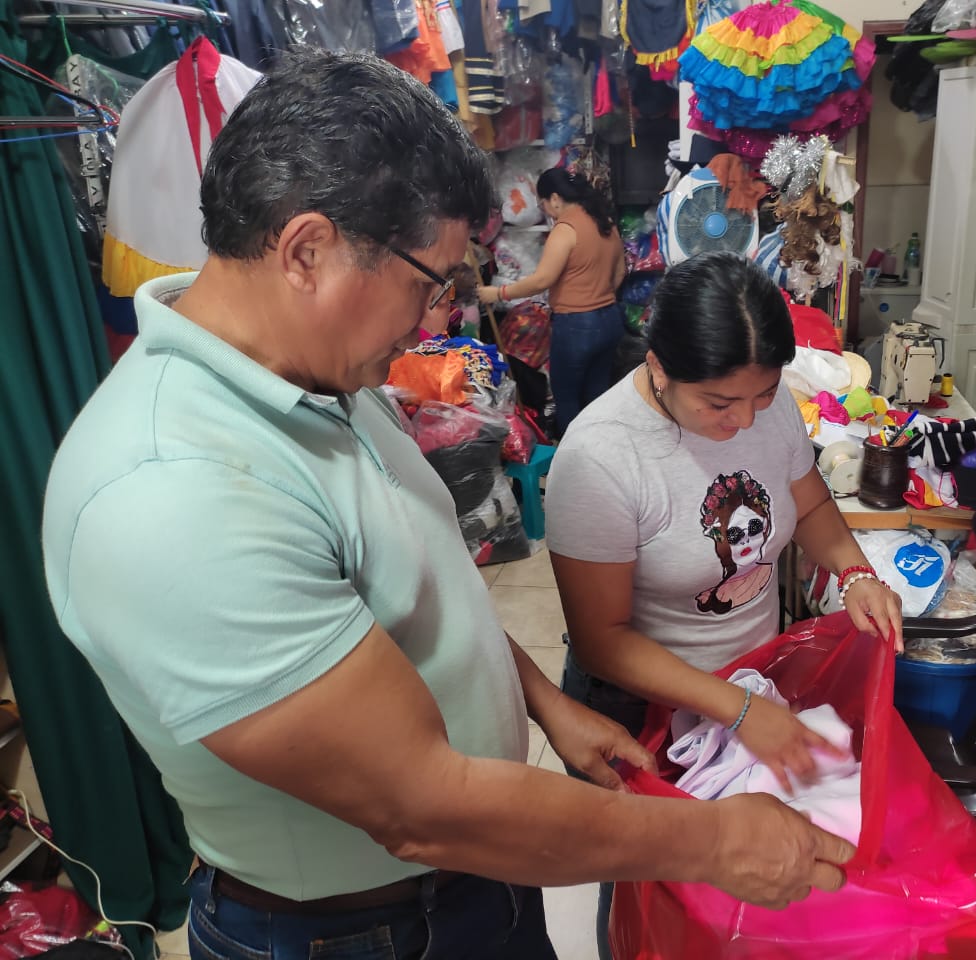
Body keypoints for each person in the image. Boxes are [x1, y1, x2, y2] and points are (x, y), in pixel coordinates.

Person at [40, 52, 856, 960]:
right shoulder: (170, 489)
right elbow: (420, 807)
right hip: (353, 933)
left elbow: (419, 590)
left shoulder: (327, 381)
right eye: (428, 282)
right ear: (307, 251)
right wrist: (716, 842)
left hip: (475, 881)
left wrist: (541, 701)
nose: (433, 320)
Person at [545, 251, 904, 960]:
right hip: (640, 709)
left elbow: (811, 505)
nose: (742, 421)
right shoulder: (602, 457)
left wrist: (856, 572)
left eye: (762, 395)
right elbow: (602, 640)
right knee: (650, 897)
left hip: (751, 682)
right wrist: (740, 713)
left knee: (750, 896)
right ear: (658, 367)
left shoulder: (767, 410)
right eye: (717, 404)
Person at [478, 168, 626, 435]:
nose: (545, 210)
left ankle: (574, 452)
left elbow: (542, 280)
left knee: (566, 396)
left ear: (555, 198)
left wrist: (498, 293)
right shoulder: (605, 222)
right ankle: (602, 445)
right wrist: (597, 297)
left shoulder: (566, 228)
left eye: (542, 204)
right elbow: (619, 273)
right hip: (610, 319)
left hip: (576, 326)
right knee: (598, 393)